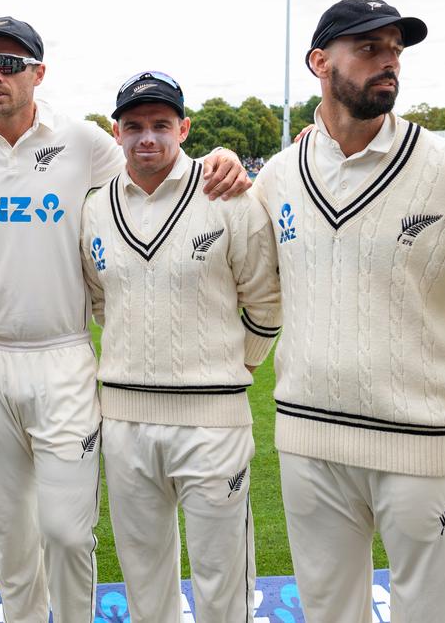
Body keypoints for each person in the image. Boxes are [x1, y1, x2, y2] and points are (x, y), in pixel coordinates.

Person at [0, 18, 250, 622]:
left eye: (11, 64)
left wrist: (220, 159)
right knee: (10, 534)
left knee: (68, 533)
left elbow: (152, 163)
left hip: (64, 354)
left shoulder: (81, 139)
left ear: (39, 74)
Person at [254, 0, 445, 623]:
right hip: (309, 439)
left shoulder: (444, 169)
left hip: (423, 442)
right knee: (327, 613)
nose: (388, 63)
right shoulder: (279, 177)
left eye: (393, 50)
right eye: (368, 49)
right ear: (320, 61)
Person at [80, 72, 281, 622]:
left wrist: (237, 364)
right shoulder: (94, 207)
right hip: (124, 420)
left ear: (184, 128)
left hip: (213, 422)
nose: (148, 138)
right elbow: (102, 299)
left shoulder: (228, 196)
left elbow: (266, 300)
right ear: (115, 131)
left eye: (161, 126)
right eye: (135, 126)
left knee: (222, 577)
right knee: (144, 573)